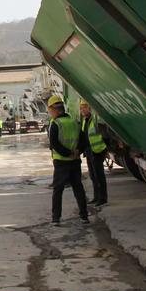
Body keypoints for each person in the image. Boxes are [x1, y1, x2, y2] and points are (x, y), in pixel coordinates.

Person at [47, 95, 88, 226]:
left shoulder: (56, 124)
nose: (50, 113)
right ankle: (84, 216)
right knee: (78, 188)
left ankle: (56, 218)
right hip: (75, 161)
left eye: (50, 110)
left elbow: (55, 144)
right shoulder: (75, 122)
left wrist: (68, 153)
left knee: (58, 190)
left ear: (54, 109)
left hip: (61, 162)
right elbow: (83, 140)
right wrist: (77, 151)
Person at [79, 99, 108, 206]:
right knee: (93, 176)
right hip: (89, 151)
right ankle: (96, 197)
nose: (82, 110)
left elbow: (105, 136)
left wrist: (104, 149)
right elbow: (84, 136)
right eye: (81, 108)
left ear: (89, 108)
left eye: (84, 107)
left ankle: (103, 198)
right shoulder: (84, 120)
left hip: (97, 151)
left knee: (99, 175)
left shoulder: (94, 120)